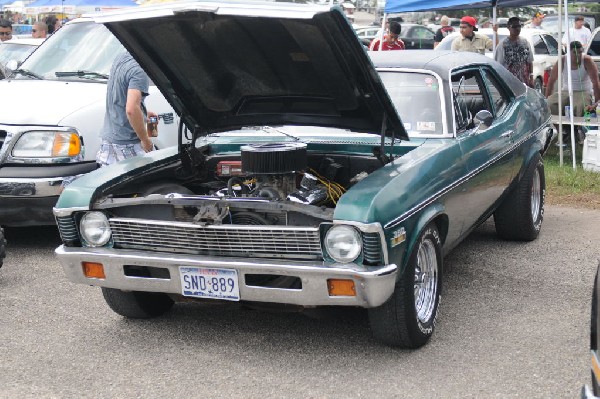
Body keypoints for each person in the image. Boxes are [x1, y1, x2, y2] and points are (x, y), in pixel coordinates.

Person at [97, 51, 159, 167]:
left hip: (109, 141)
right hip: (128, 145)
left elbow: (120, 96)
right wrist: (145, 140)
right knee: (151, 179)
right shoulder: (139, 71)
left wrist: (145, 113)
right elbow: (131, 109)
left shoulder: (121, 57)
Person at [545, 41, 600, 142]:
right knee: (550, 104)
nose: (578, 55)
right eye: (575, 52)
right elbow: (551, 81)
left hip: (584, 91)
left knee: (580, 105)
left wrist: (596, 103)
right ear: (568, 53)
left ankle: (578, 130)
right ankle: (562, 131)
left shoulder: (587, 60)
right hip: (566, 91)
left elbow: (596, 83)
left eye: (580, 52)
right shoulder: (562, 60)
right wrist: (546, 99)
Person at [495, 17, 534, 87]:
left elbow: (529, 61)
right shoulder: (503, 45)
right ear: (508, 28)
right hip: (508, 84)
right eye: (514, 26)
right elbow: (498, 66)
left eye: (519, 26)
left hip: (524, 82)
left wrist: (531, 78)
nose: (517, 29)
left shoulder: (525, 42)